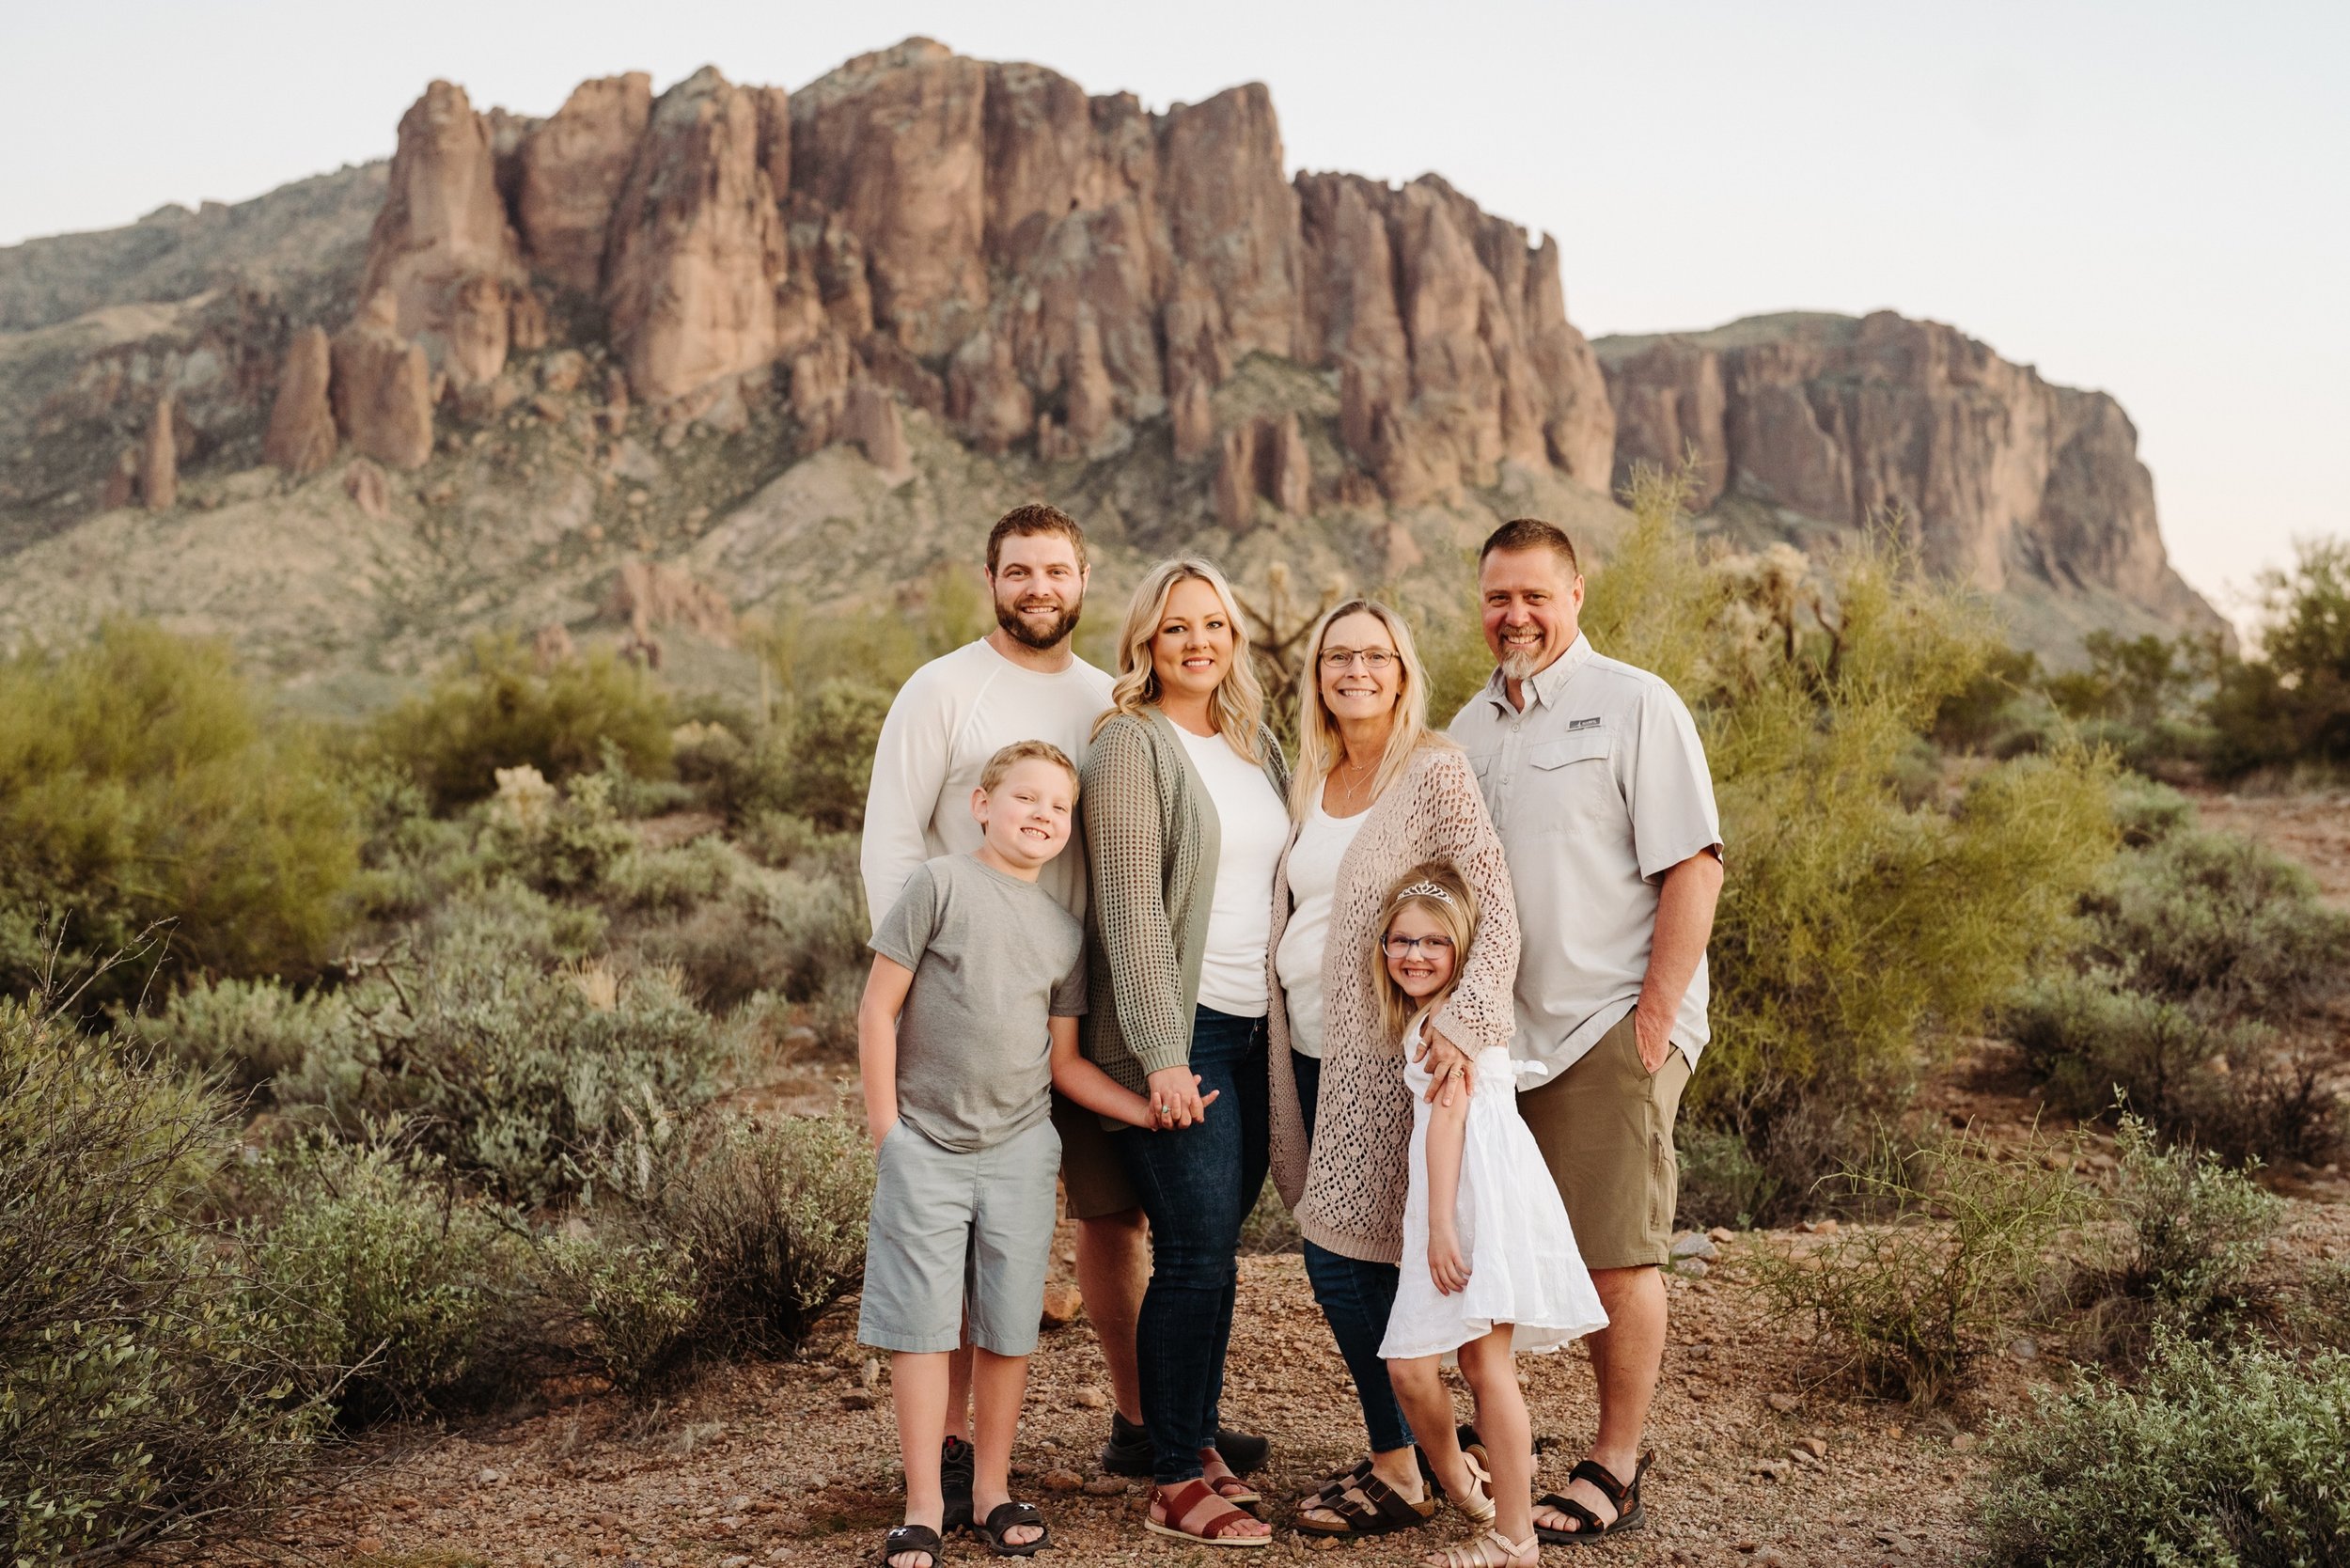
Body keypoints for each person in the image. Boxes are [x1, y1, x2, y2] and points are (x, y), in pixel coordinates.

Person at [862, 504, 1241, 1514]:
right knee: (957, 1237)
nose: (1038, 588)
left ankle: (1137, 1421)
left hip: (1088, 1004)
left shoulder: (1107, 701)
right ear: (991, 577)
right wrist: (905, 1015)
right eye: (1019, 570)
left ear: (1083, 581)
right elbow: (892, 846)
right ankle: (947, 1447)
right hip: (966, 1009)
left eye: (1056, 572)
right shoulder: (939, 689)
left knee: (1108, 1218)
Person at [1449, 518, 1725, 1545]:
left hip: (1607, 1020)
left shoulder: (1633, 705)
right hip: (1496, 1040)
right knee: (1490, 1250)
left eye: (1533, 595)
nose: (1513, 615)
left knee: (1614, 1252)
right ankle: (1492, 1444)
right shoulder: (1467, 729)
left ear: (1575, 597)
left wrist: (1652, 1020)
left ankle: (1615, 1461)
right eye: (1495, 598)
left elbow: (1693, 865)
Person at [856, 741, 1158, 1568]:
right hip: (927, 1144)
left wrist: (1145, 1108)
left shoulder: (1063, 934)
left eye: (1059, 807)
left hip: (1022, 1151)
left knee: (1007, 1323)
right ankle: (923, 1505)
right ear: (982, 804)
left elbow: (1063, 1064)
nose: (1042, 815)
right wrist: (890, 1131)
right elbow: (878, 1009)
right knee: (922, 1327)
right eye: (1025, 798)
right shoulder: (939, 885)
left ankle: (990, 1489)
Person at [1261, 599, 1521, 1542]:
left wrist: (1462, 1016)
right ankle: (1421, 1441)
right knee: (1354, 1259)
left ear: (1403, 671)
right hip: (1307, 1050)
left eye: (1375, 655)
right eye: (1338, 655)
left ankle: (1410, 1464)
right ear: (1317, 670)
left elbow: (1490, 898)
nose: (1355, 670)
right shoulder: (1312, 772)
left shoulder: (1432, 769)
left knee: (1343, 1261)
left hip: (1385, 1058)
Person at [1082, 557, 1290, 1548]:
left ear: (1234, 638)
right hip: (1180, 1029)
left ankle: (1194, 1437)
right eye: (1174, 629)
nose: (1197, 642)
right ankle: (1170, 1479)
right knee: (1195, 1251)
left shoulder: (1254, 743)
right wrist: (1163, 1053)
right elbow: (1126, 906)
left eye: (1213, 624)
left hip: (1256, 1032)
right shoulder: (1130, 744)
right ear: (1143, 645)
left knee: (1217, 1252)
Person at [1374, 862, 1608, 1568]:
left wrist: (1441, 1225)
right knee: (1417, 1369)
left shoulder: (1456, 1023)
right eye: (1401, 940)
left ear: (1464, 952)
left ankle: (1513, 1537)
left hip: (1473, 1205)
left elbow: (1449, 1123)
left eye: (1435, 943)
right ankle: (1474, 1495)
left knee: (1481, 1363)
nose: (1415, 955)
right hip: (1461, 1199)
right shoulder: (1429, 1018)